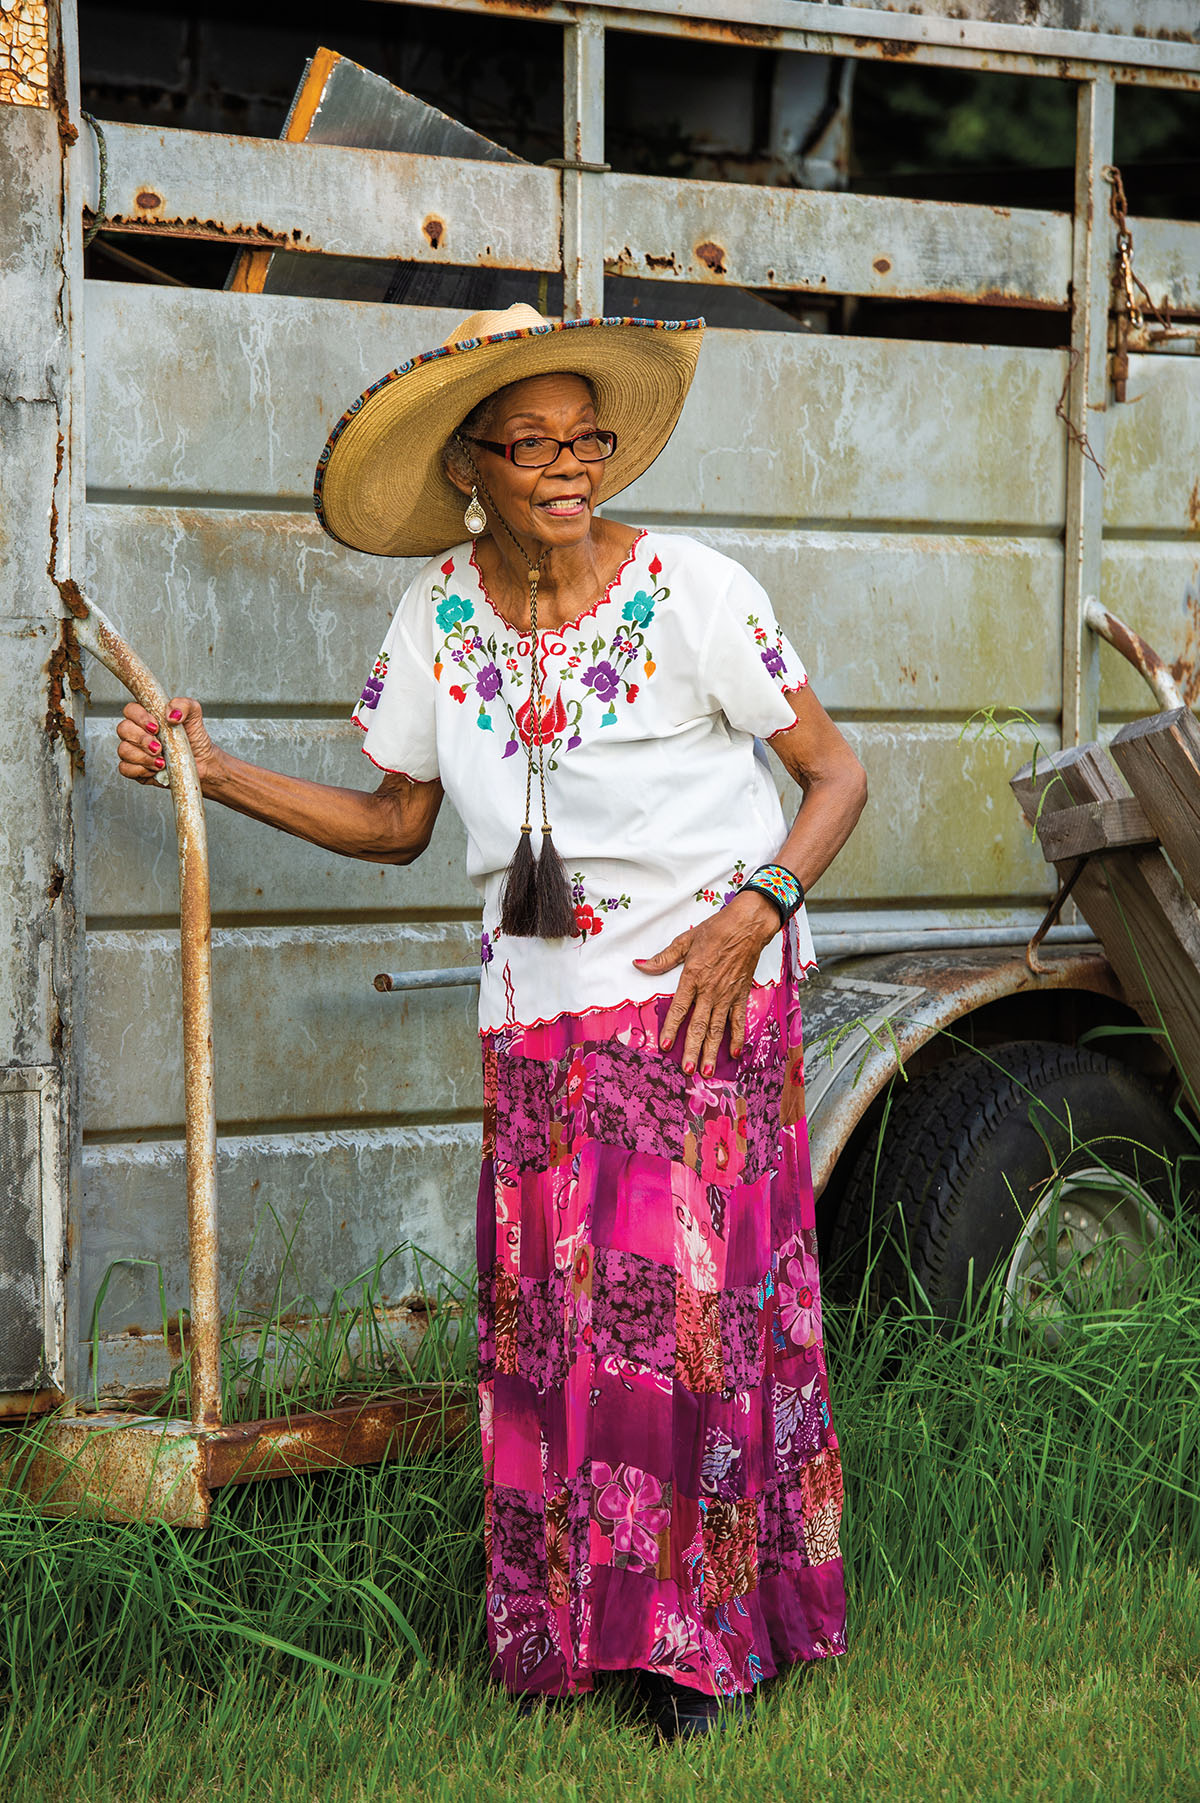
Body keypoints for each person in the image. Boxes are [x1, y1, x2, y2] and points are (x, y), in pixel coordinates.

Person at [116, 303, 867, 1738]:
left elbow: (835, 778)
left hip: (706, 994)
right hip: (540, 1020)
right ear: (473, 465)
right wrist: (209, 772)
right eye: (531, 444)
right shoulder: (435, 619)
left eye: (588, 438)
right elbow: (399, 820)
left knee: (680, 1322)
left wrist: (758, 905)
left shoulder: (699, 590)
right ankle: (570, 1632)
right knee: (553, 1325)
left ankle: (691, 1643)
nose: (568, 466)